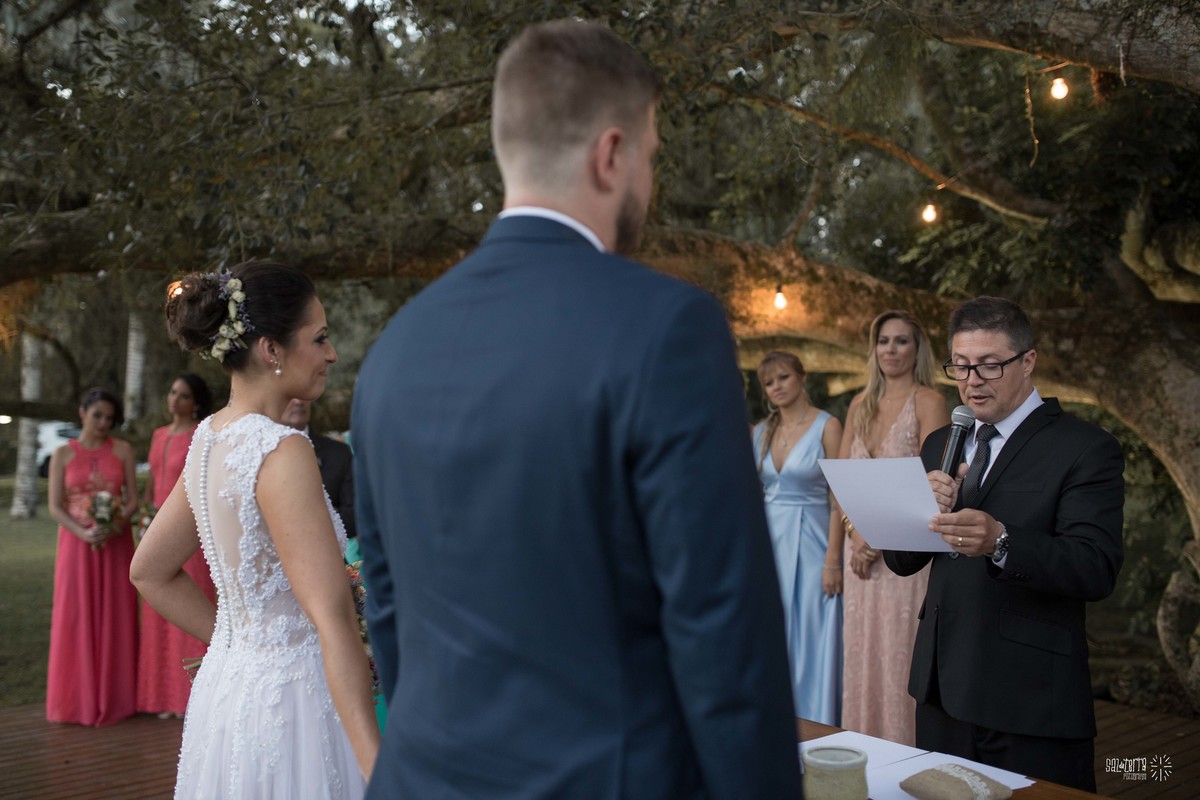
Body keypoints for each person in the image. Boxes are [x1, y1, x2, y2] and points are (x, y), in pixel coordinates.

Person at [351, 19, 802, 799]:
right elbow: (723, 631)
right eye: (652, 159)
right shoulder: (667, 328)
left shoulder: (393, 348)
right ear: (611, 154)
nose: (649, 184)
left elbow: (389, 610)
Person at [131, 261, 379, 798]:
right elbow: (332, 621)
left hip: (228, 696)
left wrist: (232, 643)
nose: (331, 354)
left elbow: (148, 571)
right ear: (272, 350)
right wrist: (379, 767)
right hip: (295, 707)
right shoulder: (281, 449)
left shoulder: (207, 440)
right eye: (320, 338)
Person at [884, 296, 1124, 792]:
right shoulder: (939, 444)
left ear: (1028, 360)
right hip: (940, 689)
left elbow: (1095, 567)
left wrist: (1002, 541)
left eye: (990, 365)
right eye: (962, 366)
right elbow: (902, 560)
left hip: (1029, 697)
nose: (972, 380)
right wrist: (915, 513)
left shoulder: (1084, 447)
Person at [838, 311, 948, 744]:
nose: (891, 349)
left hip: (904, 558)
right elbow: (841, 481)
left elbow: (935, 485)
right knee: (864, 659)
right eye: (883, 341)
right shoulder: (858, 404)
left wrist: (878, 538)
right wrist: (855, 535)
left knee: (900, 661)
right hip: (861, 560)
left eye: (901, 341)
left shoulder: (929, 402)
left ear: (917, 348)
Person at [753, 350, 844, 725]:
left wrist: (833, 561)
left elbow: (840, 496)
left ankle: (815, 724)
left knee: (810, 634)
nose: (777, 387)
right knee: (770, 634)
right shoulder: (759, 431)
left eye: (783, 377)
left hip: (813, 541)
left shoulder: (828, 426)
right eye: (769, 382)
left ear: (802, 377)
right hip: (769, 542)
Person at [45, 387, 139, 726]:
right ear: (82, 412)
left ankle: (116, 697)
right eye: (98, 415)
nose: (103, 423)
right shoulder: (62, 455)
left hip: (115, 542)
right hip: (75, 543)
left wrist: (116, 522)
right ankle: (76, 700)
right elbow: (55, 506)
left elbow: (132, 499)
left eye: (110, 418)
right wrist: (82, 531)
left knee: (116, 613)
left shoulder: (123, 450)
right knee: (77, 614)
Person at [136, 373, 216, 719]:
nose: (174, 400)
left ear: (195, 402)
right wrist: (145, 518)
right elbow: (152, 483)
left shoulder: (201, 435)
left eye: (183, 395)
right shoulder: (157, 436)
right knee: (158, 612)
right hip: (155, 528)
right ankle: (162, 697)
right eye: (172, 392)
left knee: (188, 605)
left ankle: (192, 695)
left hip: (189, 537)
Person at [281, 398, 355, 538]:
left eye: (304, 395)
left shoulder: (339, 453)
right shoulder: (256, 453)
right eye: (290, 395)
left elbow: (354, 516)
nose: (298, 401)